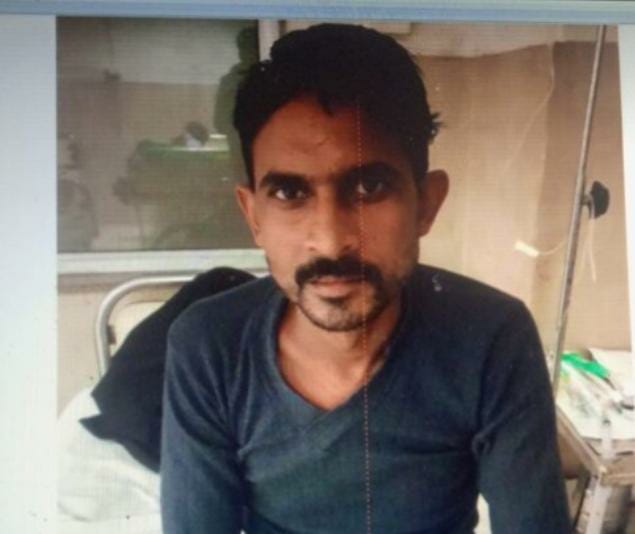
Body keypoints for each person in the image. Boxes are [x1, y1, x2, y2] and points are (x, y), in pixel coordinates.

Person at [161, 23, 570, 533]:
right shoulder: (209, 345)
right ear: (253, 215)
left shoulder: (490, 338)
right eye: (289, 194)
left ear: (426, 204)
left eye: (369, 187)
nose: (332, 242)